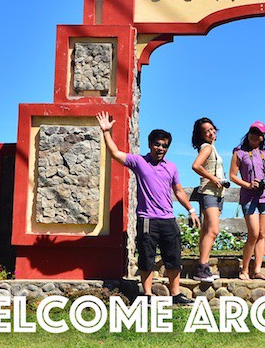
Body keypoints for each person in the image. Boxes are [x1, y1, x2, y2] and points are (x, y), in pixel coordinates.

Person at [95, 111, 199, 304]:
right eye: (157, 144)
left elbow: (178, 191)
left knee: (173, 257)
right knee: (147, 259)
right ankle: (148, 295)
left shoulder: (171, 167)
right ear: (150, 144)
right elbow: (115, 154)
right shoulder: (139, 161)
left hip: (168, 219)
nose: (160, 148)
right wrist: (106, 132)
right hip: (147, 219)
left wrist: (191, 210)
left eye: (164, 146)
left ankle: (175, 295)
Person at [228, 121, 265, 280]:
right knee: (253, 233)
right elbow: (232, 176)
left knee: (262, 233)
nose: (255, 135)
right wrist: (248, 184)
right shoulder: (239, 153)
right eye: (253, 132)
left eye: (259, 133)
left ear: (262, 137)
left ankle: (257, 270)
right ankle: (245, 269)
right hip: (248, 196)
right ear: (248, 133)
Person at [190, 117, 225, 282]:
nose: (211, 133)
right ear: (201, 135)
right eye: (206, 131)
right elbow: (196, 165)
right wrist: (212, 178)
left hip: (217, 194)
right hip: (209, 193)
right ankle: (202, 268)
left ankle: (203, 266)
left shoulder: (212, 148)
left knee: (206, 231)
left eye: (212, 129)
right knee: (213, 230)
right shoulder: (207, 148)